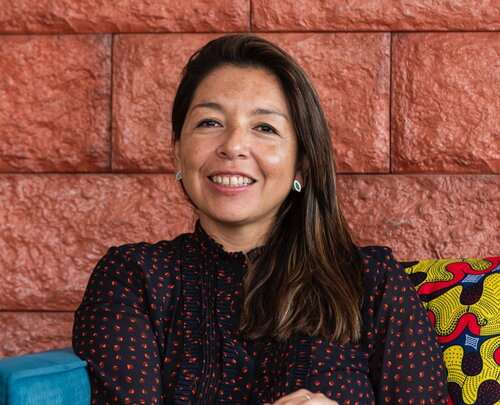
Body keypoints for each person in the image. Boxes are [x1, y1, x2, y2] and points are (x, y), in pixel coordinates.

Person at [72, 34, 448, 404]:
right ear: (177, 153)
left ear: (302, 164)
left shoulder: (372, 280)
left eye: (265, 128)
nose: (233, 146)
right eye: (209, 123)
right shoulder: (133, 277)